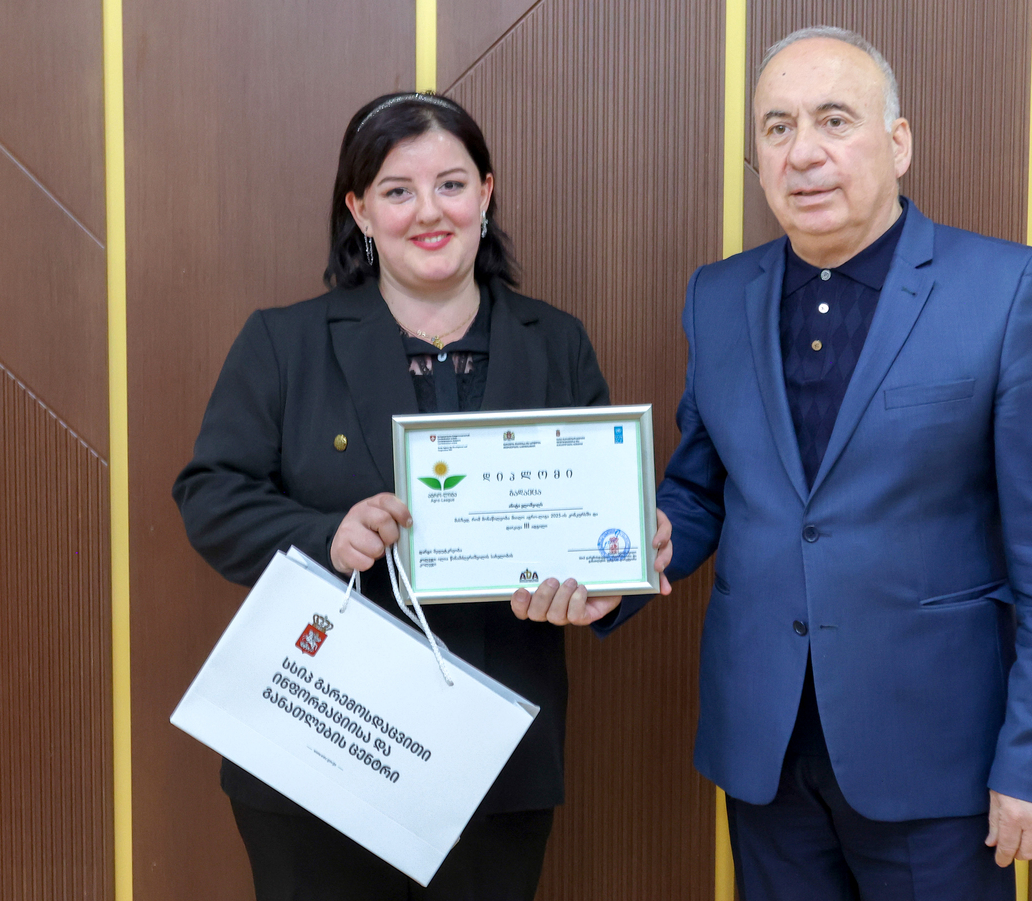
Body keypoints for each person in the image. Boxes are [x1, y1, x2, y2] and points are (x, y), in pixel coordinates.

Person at [566, 27, 1032, 900]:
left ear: (898, 143)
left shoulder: (1004, 290)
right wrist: (622, 562)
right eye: (777, 128)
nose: (804, 152)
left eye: (833, 120)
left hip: (935, 755)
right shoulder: (718, 295)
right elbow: (700, 490)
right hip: (765, 748)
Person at [173, 91, 666, 900]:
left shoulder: (557, 343)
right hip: (322, 742)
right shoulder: (283, 341)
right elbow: (210, 496)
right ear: (359, 210)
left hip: (494, 761)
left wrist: (620, 568)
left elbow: (600, 527)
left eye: (451, 184)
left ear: (486, 193)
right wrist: (327, 535)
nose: (429, 211)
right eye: (397, 190)